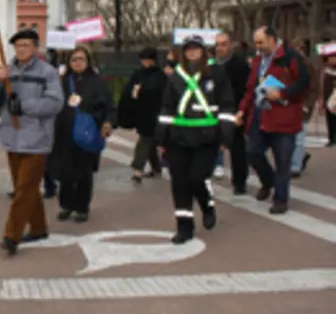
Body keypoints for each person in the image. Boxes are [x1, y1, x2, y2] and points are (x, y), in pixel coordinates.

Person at [0, 29, 63, 256]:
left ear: (36, 48)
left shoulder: (47, 72)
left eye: (26, 45)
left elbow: (56, 103)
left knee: (23, 190)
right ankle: (38, 228)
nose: (21, 50)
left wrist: (26, 106)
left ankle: (12, 235)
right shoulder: (7, 71)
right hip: (12, 137)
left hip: (37, 138)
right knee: (27, 188)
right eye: (18, 46)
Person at [155, 35, 236, 244]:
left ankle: (207, 204)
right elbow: (167, 107)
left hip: (206, 136)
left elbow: (227, 104)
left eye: (196, 49)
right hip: (179, 137)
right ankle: (184, 227)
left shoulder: (216, 73)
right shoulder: (175, 77)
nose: (192, 53)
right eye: (188, 50)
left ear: (204, 51)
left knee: (197, 177)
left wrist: (226, 132)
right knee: (179, 183)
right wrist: (161, 135)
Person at [237, 26, 310, 214]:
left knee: (283, 160)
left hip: (284, 117)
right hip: (260, 115)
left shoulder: (292, 57)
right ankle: (268, 181)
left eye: (261, 42)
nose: (258, 46)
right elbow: (250, 88)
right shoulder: (257, 60)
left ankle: (280, 199)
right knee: (252, 152)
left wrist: (283, 93)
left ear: (272, 39)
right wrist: (242, 111)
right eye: (256, 43)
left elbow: (304, 83)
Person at [48, 45, 114, 222]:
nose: (78, 62)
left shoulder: (97, 82)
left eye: (81, 59)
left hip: (88, 133)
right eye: (74, 59)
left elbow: (109, 106)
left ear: (88, 61)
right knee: (65, 173)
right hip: (64, 133)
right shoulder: (62, 81)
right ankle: (66, 205)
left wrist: (107, 123)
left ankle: (82, 207)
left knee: (84, 173)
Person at [118, 47, 168, 182]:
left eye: (148, 60)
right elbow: (129, 91)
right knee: (149, 140)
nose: (145, 62)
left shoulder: (160, 76)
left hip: (155, 113)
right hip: (141, 112)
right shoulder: (138, 74)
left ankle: (138, 169)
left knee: (144, 140)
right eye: (144, 60)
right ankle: (156, 166)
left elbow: (163, 95)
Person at [214, 32, 251, 194]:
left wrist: (240, 112)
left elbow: (244, 90)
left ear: (230, 45)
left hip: (234, 110)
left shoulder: (239, 65)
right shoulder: (214, 65)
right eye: (218, 45)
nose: (220, 48)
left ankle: (240, 181)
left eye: (223, 44)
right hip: (216, 111)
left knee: (237, 148)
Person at [290, 38, 318, 177]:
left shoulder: (306, 65)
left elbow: (314, 87)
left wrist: (307, 104)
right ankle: (299, 158)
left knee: (299, 137)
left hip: (302, 105)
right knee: (292, 137)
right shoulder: (289, 65)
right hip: (292, 104)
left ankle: (295, 166)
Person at [320, 52, 336, 146]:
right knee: (329, 119)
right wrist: (321, 99)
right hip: (329, 98)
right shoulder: (326, 71)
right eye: (330, 58)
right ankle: (331, 138)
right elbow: (322, 86)